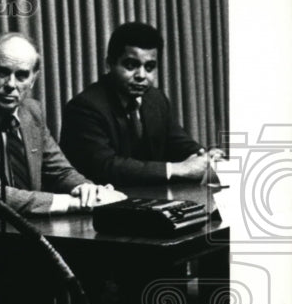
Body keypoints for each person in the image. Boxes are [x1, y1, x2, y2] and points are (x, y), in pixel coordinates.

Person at [0, 32, 120, 218]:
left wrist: (86, 189)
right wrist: (74, 203)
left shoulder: (32, 111)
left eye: (21, 75)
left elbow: (60, 171)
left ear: (33, 79)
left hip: (25, 229)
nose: (11, 84)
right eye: (2, 72)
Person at [60, 21, 218, 185]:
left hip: (150, 199)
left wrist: (204, 156)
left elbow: (178, 142)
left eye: (149, 67)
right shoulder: (85, 107)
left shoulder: (156, 99)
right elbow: (105, 166)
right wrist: (176, 169)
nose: (141, 75)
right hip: (103, 203)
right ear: (109, 64)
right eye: (131, 65)